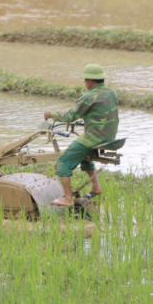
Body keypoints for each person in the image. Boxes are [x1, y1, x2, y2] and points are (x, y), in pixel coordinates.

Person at [43, 64, 119, 207]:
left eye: (85, 80)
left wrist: (51, 114)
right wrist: (73, 112)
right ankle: (96, 188)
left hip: (94, 137)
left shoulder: (89, 96)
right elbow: (94, 111)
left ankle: (68, 199)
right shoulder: (111, 92)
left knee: (63, 162)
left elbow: (71, 116)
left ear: (91, 81)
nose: (85, 83)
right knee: (85, 157)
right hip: (108, 136)